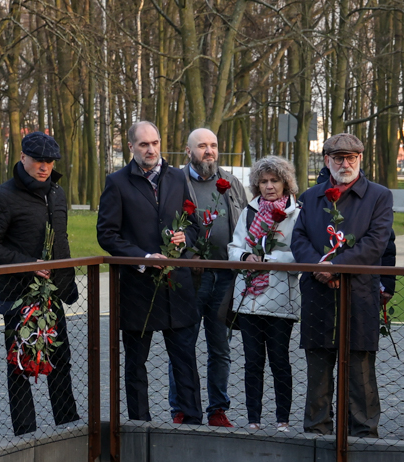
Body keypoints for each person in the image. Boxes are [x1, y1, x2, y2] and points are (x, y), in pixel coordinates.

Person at [96, 120, 202, 423]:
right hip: (137, 288)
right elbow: (107, 234)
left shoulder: (178, 177)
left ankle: (193, 424)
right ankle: (139, 425)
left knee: (185, 361)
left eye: (155, 143)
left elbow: (193, 225)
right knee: (135, 364)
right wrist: (142, 257)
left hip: (177, 288)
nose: (151, 149)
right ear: (131, 147)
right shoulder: (117, 182)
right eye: (144, 144)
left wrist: (185, 239)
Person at [291, 133, 396, 437]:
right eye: (338, 158)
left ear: (360, 159)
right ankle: (317, 432)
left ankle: (363, 434)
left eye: (351, 158)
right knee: (318, 371)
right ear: (327, 160)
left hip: (358, 294)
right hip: (318, 293)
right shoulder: (311, 196)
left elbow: (376, 242)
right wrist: (318, 267)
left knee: (360, 371)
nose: (345, 164)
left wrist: (337, 267)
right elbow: (298, 238)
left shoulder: (379, 196)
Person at [0, 132, 81, 436]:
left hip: (53, 295)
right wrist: (27, 265)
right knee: (20, 365)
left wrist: (66, 283)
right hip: (18, 296)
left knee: (60, 360)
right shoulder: (2, 196)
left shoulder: (57, 193)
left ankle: (68, 426)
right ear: (23, 157)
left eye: (50, 161)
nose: (44, 166)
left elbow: (61, 240)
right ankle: (25, 435)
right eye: (38, 160)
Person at [178, 127, 249, 427]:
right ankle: (183, 408)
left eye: (213, 145)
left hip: (226, 278)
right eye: (202, 146)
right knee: (183, 346)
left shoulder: (231, 183)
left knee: (220, 348)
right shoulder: (176, 183)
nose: (209, 151)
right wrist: (187, 255)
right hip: (191, 278)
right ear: (188, 151)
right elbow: (168, 226)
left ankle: (218, 409)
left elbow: (246, 224)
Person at [227, 155, 302, 430]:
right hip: (249, 299)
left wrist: (270, 259)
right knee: (252, 362)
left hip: (281, 299)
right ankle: (253, 419)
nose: (269, 186)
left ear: (286, 183)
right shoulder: (249, 212)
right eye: (264, 181)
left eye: (275, 180)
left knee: (280, 361)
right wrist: (246, 256)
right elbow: (234, 247)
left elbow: (301, 254)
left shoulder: (297, 213)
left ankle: (283, 419)